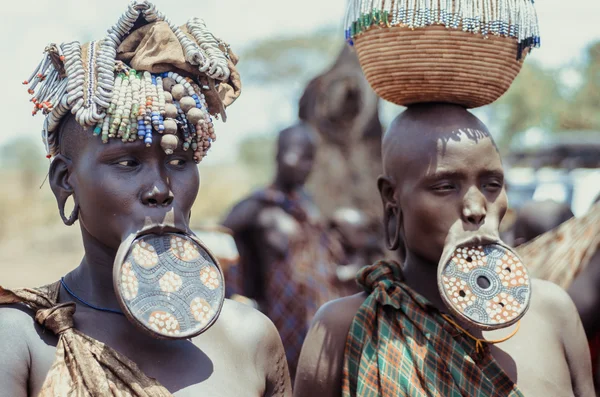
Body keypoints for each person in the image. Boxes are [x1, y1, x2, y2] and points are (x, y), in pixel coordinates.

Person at [0, 2, 291, 396]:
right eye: (128, 162)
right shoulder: (23, 339)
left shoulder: (249, 338)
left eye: (179, 160)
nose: (161, 189)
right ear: (65, 180)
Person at [294, 103, 594, 397]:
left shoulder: (552, 311)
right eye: (445, 186)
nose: (476, 209)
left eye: (491, 184)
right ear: (391, 198)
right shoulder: (346, 325)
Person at [222, 122, 343, 379]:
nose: (306, 166)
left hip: (317, 317)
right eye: (300, 155)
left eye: (311, 158)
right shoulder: (256, 207)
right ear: (279, 154)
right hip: (280, 320)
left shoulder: (307, 206)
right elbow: (218, 244)